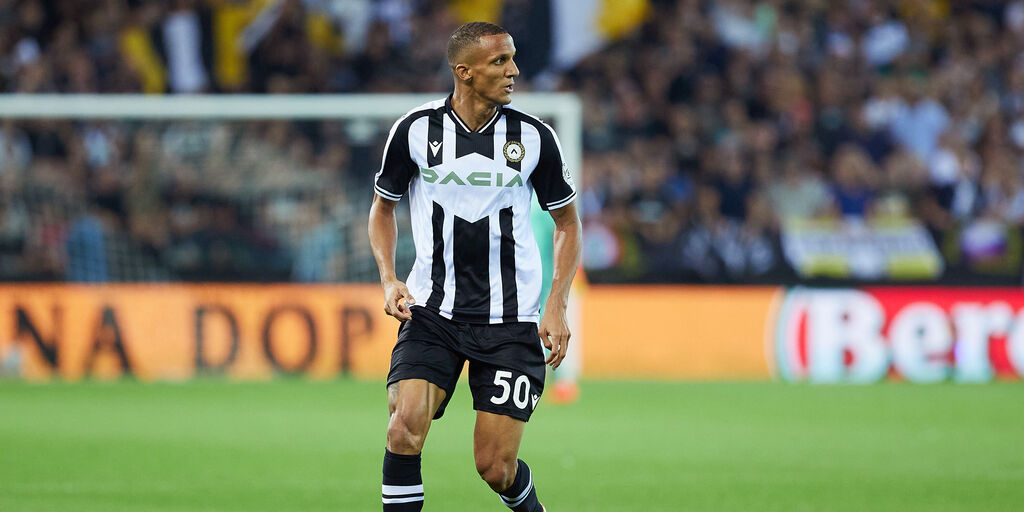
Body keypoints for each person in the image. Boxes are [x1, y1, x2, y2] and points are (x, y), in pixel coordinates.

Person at [367, 22, 581, 511]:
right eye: (500, 61)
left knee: (495, 468)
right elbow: (382, 208)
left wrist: (556, 304)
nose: (514, 71)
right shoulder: (415, 130)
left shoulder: (534, 137)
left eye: (513, 58)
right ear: (464, 72)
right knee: (403, 428)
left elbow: (568, 223)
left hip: (510, 321)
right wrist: (388, 277)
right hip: (433, 311)